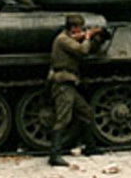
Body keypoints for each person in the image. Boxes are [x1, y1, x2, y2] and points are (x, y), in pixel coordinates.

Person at [46, 13, 105, 167]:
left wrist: (96, 39)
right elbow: (82, 51)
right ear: (73, 28)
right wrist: (87, 37)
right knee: (63, 118)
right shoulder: (63, 39)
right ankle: (54, 155)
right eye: (80, 28)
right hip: (63, 82)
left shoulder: (68, 37)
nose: (81, 30)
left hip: (70, 82)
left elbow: (89, 48)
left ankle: (90, 147)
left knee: (86, 112)